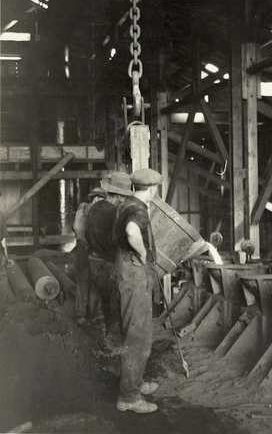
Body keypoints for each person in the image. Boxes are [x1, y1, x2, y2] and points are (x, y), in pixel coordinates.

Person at [113, 168, 162, 414]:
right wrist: (143, 254)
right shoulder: (138, 210)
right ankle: (129, 397)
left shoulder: (124, 204)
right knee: (139, 337)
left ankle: (135, 383)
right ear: (152, 189)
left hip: (124, 271)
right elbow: (132, 231)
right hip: (134, 274)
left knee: (134, 331)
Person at [85, 171, 132, 340]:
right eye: (125, 197)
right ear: (119, 196)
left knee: (100, 305)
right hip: (109, 265)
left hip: (93, 261)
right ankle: (112, 344)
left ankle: (97, 338)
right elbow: (118, 242)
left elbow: (85, 233)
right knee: (114, 309)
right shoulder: (114, 213)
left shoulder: (94, 207)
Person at [73, 186, 107, 325]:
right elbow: (77, 227)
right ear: (97, 198)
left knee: (92, 280)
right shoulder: (86, 209)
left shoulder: (86, 209)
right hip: (87, 248)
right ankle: (83, 314)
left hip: (89, 247)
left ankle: (93, 313)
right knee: (85, 280)